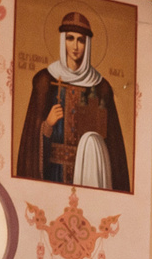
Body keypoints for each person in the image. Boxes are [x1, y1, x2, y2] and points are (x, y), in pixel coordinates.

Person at [16, 10, 131, 192]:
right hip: (54, 174)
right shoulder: (46, 80)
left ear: (88, 44)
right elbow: (30, 143)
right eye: (70, 38)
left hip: (88, 174)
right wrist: (47, 125)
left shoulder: (100, 87)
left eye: (81, 40)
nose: (75, 46)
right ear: (63, 40)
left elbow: (113, 148)